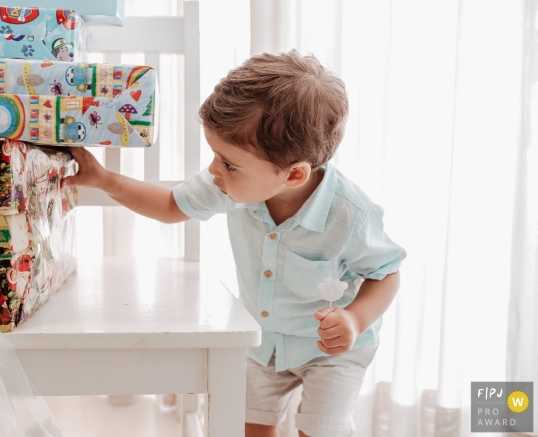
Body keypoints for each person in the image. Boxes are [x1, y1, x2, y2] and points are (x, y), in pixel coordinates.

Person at [62, 51, 406, 437]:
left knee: (321, 430)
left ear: (294, 175)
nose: (213, 170)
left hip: (330, 351)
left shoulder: (351, 215)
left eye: (228, 163)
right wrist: (105, 179)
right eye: (215, 156)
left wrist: (355, 318)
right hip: (262, 343)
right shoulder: (230, 186)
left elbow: (386, 272)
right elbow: (169, 205)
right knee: (247, 428)